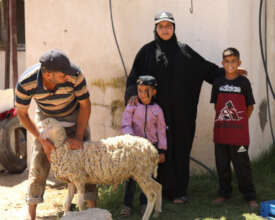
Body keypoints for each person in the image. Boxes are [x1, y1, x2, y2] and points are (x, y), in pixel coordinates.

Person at [124, 11, 246, 203]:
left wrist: (229, 74)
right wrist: (132, 94)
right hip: (154, 115)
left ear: (173, 28)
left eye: (169, 26)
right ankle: (152, 192)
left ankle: (178, 192)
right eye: (161, 26)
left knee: (180, 149)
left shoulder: (184, 51)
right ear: (156, 29)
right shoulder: (146, 52)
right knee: (154, 151)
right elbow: (133, 78)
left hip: (182, 114)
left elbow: (207, 69)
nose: (165, 30)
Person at [15, 49, 97, 220]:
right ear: (47, 74)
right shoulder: (26, 82)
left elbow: (85, 105)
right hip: (47, 118)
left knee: (85, 161)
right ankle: (31, 214)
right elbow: (21, 114)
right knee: (39, 161)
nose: (68, 76)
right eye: (63, 75)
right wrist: (42, 140)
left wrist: (79, 136)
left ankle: (92, 211)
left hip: (74, 115)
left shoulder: (74, 74)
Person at [210, 48, 258, 208]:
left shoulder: (244, 82)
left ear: (239, 63)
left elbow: (250, 106)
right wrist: (227, 119)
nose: (230, 64)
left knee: (242, 165)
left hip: (239, 136)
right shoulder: (217, 82)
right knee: (222, 165)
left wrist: (239, 122)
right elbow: (217, 105)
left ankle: (249, 195)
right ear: (223, 63)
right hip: (221, 134)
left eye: (234, 61)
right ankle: (225, 193)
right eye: (227, 61)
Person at [120, 75, 167, 217]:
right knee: (131, 178)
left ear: (153, 92)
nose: (142, 94)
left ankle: (144, 203)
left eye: (146, 90)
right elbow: (126, 124)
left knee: (147, 177)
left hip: (150, 149)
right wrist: (133, 140)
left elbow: (161, 130)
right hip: (135, 148)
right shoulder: (132, 106)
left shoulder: (157, 110)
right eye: (139, 90)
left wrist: (161, 150)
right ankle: (127, 205)